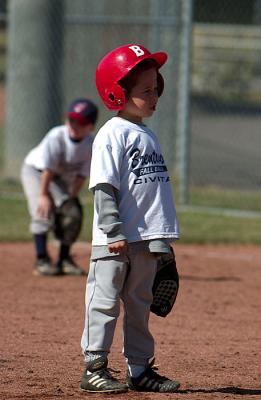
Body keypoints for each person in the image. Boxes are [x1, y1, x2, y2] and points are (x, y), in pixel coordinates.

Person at [80, 44, 180, 393]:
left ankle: (139, 370)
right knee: (104, 303)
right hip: (114, 240)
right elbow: (104, 185)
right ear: (116, 93)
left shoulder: (147, 134)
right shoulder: (112, 133)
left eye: (157, 89)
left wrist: (160, 241)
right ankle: (94, 367)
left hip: (143, 241)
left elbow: (152, 195)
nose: (155, 97)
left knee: (139, 306)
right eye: (146, 91)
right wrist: (113, 229)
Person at [21, 98, 98, 276]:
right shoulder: (57, 136)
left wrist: (69, 200)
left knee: (72, 213)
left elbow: (80, 176)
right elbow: (48, 170)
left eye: (82, 122)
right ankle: (41, 259)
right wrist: (43, 196)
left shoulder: (91, 145)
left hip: (59, 178)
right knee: (42, 210)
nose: (75, 125)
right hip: (36, 171)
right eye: (72, 119)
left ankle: (64, 259)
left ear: (91, 126)